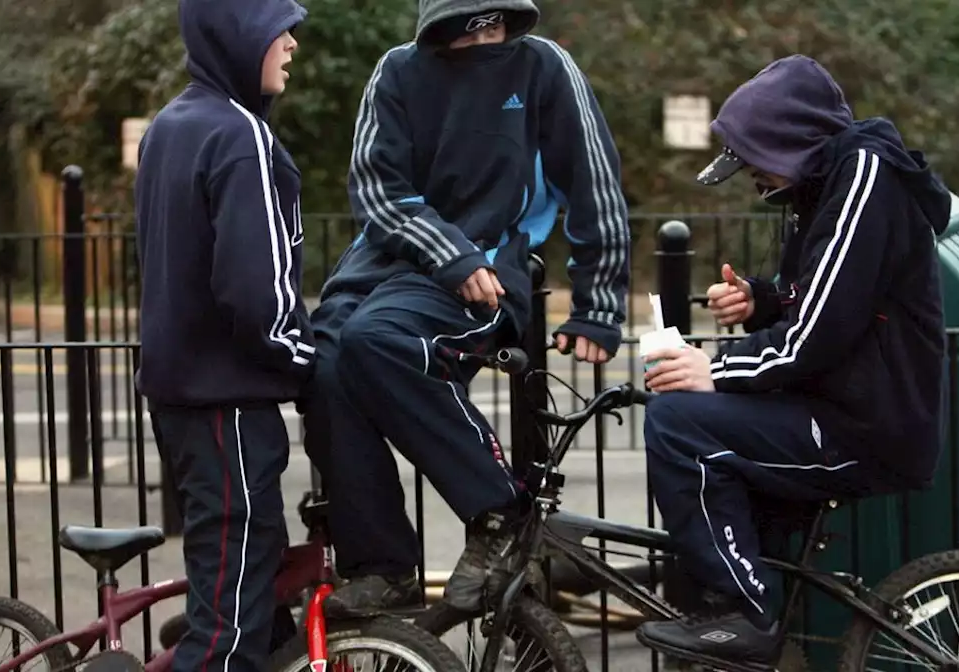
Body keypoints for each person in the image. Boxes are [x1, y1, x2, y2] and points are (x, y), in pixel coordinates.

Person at [301, 0, 632, 617]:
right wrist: (445, 252)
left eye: (497, 25)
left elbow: (595, 183)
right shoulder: (397, 71)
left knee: (378, 339)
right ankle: (381, 566)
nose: (488, 39)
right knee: (322, 365)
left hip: (490, 265)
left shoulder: (544, 67)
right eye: (471, 28)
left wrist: (600, 303)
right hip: (392, 263)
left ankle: (503, 512)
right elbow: (378, 187)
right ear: (439, 27)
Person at [633, 54, 952, 667]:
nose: (751, 176)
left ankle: (746, 613)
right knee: (696, 414)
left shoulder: (863, 175)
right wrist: (760, 300)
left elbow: (818, 334)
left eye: (753, 159)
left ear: (788, 141)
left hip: (866, 424)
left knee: (678, 425)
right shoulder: (824, 185)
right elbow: (824, 296)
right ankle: (754, 618)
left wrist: (715, 369)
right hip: (837, 404)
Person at [132, 0, 311, 669]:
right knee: (226, 627)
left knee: (252, 586)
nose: (291, 42)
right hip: (227, 403)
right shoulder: (242, 138)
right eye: (277, 28)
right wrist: (304, 360)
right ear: (239, 35)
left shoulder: (169, 125)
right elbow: (253, 290)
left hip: (180, 396)